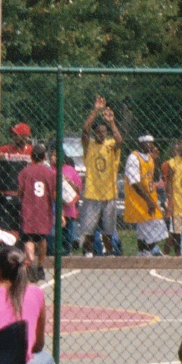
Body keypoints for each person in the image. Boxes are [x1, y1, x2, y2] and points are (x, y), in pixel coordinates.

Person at [78, 97, 123, 256]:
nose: (102, 134)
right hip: (92, 191)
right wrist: (96, 110)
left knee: (109, 228)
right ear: (95, 133)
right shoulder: (90, 146)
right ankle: (88, 253)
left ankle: (109, 253)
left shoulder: (110, 145)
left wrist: (111, 122)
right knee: (89, 227)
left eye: (104, 132)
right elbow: (84, 129)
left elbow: (119, 140)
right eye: (99, 131)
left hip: (109, 192)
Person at [17, 144, 57, 277]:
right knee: (41, 239)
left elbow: (21, 191)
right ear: (44, 157)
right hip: (43, 210)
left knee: (28, 237)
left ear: (31, 156)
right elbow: (54, 194)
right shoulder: (49, 173)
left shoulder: (25, 172)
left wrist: (22, 196)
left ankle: (31, 260)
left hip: (28, 209)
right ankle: (40, 266)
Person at [123, 135, 167, 255]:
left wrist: (156, 160)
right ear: (141, 143)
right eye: (148, 143)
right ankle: (152, 249)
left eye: (152, 143)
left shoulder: (150, 157)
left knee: (145, 228)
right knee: (153, 224)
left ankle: (144, 251)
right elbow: (134, 183)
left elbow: (155, 177)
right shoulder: (133, 157)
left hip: (150, 197)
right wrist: (148, 200)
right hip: (139, 199)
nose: (151, 145)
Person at [0, 122, 34, 232]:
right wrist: (0, 162)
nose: (13, 137)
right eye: (13, 135)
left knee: (25, 227)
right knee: (6, 226)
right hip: (7, 193)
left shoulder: (32, 151)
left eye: (16, 135)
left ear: (25, 136)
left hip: (27, 195)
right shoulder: (4, 150)